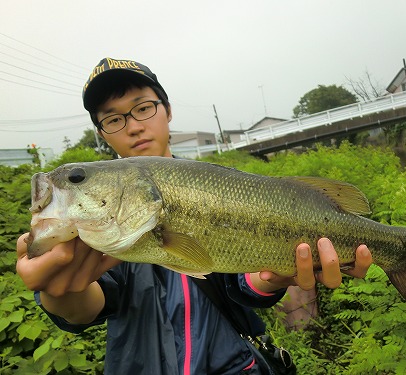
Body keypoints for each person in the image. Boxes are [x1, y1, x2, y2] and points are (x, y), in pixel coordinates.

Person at [16, 57, 373, 374]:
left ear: (167, 110)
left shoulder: (220, 185)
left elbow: (241, 283)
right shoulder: (102, 218)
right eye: (113, 119)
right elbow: (91, 304)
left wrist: (275, 277)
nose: (133, 126)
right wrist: (60, 294)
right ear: (101, 134)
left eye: (143, 108)